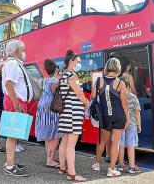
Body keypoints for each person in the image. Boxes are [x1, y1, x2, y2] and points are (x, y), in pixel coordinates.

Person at [91, 58, 130, 177]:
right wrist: (127, 118)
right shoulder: (120, 83)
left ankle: (97, 164)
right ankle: (111, 169)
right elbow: (124, 103)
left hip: (104, 117)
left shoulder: (98, 80)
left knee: (102, 141)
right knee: (115, 142)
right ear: (118, 68)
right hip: (118, 116)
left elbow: (93, 96)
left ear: (107, 67)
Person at [2, 40, 32, 177]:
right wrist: (16, 104)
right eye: (23, 49)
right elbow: (9, 84)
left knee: (15, 134)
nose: (24, 52)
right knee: (13, 134)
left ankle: (11, 162)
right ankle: (9, 165)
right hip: (16, 101)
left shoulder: (14, 63)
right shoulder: (13, 64)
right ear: (16, 51)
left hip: (17, 101)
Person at [58, 50, 89, 182]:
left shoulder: (63, 75)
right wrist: (86, 103)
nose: (79, 63)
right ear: (71, 61)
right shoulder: (71, 75)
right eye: (77, 61)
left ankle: (62, 167)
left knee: (64, 140)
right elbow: (79, 92)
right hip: (73, 113)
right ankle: (72, 173)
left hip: (66, 112)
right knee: (71, 144)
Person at [35, 60, 61, 168]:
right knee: (55, 135)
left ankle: (50, 158)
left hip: (43, 107)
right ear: (56, 69)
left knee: (48, 136)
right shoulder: (55, 80)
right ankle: (50, 160)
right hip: (51, 108)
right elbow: (56, 94)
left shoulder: (46, 80)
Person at [117, 77, 142, 174]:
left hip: (120, 123)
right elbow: (137, 113)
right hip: (131, 123)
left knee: (121, 144)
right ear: (128, 86)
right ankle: (131, 167)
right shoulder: (133, 97)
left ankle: (120, 165)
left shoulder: (117, 96)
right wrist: (139, 125)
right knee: (131, 145)